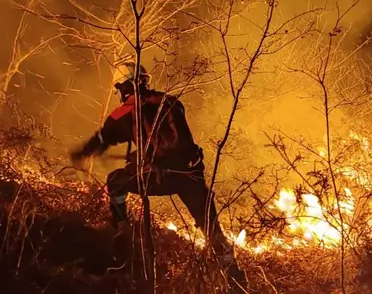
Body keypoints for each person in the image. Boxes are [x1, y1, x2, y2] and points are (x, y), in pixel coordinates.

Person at [69, 62, 247, 291]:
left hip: (160, 175)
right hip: (190, 175)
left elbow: (104, 137)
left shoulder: (127, 110)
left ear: (125, 86)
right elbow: (182, 142)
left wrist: (84, 152)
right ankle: (234, 278)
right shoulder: (170, 101)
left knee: (115, 183)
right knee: (210, 227)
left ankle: (123, 234)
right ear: (144, 80)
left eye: (119, 88)